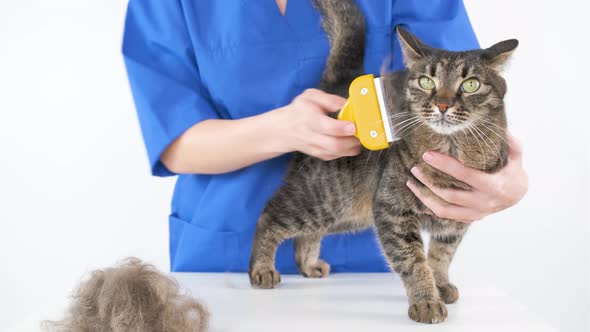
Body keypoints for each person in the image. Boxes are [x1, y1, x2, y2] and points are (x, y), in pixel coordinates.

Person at [122, 0, 528, 273]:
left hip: (377, 252)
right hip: (227, 249)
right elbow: (174, 141)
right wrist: (282, 130)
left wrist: (507, 180)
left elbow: (464, 89)